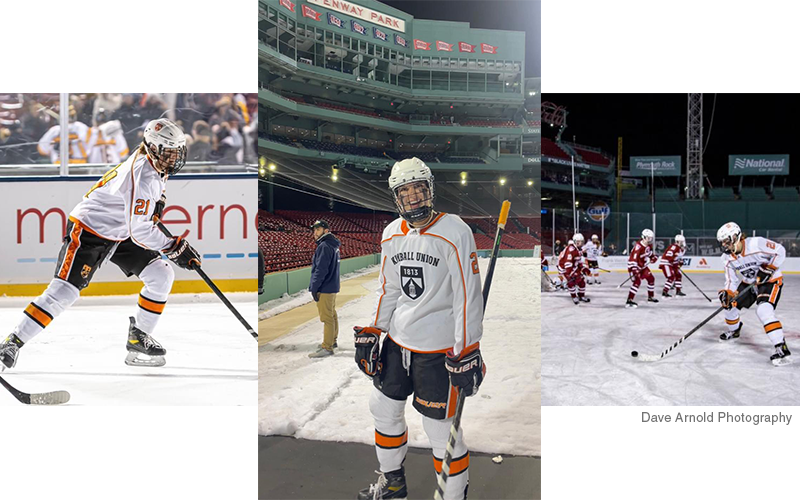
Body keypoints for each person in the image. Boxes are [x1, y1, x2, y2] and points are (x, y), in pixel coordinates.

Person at [0, 119, 200, 370]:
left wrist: (158, 203)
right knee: (64, 292)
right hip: (89, 230)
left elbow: (144, 208)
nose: (174, 158)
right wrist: (173, 247)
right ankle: (12, 342)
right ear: (152, 147)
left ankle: (138, 336)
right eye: (169, 152)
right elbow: (140, 230)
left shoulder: (154, 163)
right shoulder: (144, 174)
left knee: (161, 274)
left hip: (119, 229)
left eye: (177, 151)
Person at [353, 157, 484, 500]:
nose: (413, 197)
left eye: (418, 189)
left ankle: (453, 496)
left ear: (430, 191)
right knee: (383, 410)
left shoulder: (455, 230)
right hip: (399, 343)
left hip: (439, 350)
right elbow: (390, 289)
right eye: (405, 191)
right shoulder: (391, 234)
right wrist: (375, 330)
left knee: (441, 431)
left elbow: (467, 298)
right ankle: (393, 485)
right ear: (396, 198)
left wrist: (467, 349)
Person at [717, 222, 791, 366]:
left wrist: (769, 268)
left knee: (763, 310)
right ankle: (735, 331)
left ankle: (780, 346)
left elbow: (780, 251)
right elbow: (731, 280)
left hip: (770, 281)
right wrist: (728, 293)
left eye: (726, 241)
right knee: (729, 308)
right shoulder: (726, 259)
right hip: (749, 282)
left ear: (735, 237)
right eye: (722, 242)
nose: (724, 245)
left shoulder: (757, 244)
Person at [308, 220, 341, 358]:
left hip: (325, 287)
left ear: (326, 231)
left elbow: (320, 270)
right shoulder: (332, 245)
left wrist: (314, 288)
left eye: (318, 229)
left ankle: (327, 347)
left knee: (327, 318)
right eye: (314, 230)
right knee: (332, 315)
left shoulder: (324, 246)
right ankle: (332, 341)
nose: (315, 232)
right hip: (332, 286)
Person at [626, 229, 658, 308]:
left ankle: (650, 297)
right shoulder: (638, 247)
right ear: (643, 237)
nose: (650, 239)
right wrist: (634, 268)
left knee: (651, 279)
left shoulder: (647, 246)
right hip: (634, 266)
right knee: (637, 282)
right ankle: (629, 300)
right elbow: (633, 258)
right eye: (649, 238)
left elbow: (649, 253)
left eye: (651, 238)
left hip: (642, 267)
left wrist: (653, 257)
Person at [559, 234, 590, 304]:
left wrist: (583, 268)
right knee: (571, 282)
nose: (581, 243)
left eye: (582, 242)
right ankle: (574, 296)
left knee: (581, 281)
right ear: (575, 242)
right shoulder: (571, 250)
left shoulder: (577, 249)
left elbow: (577, 261)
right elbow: (568, 263)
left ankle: (581, 295)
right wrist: (569, 274)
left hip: (572, 267)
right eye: (579, 242)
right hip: (565, 268)